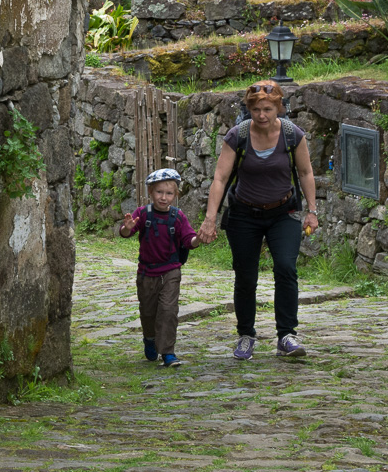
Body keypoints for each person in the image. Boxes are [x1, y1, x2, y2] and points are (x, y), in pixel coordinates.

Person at [197, 81, 319, 361]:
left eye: (268, 109)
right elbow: (220, 178)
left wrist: (312, 210)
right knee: (246, 275)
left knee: (286, 268)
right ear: (248, 109)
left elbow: (305, 173)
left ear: (279, 107)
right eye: (256, 109)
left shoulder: (292, 135)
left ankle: (286, 335)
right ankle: (245, 335)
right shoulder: (237, 135)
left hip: (283, 213)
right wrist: (209, 219)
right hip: (244, 215)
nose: (262, 115)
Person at [119, 167, 202, 368]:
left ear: (175, 195)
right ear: (150, 192)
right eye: (159, 192)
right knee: (148, 312)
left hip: (171, 270)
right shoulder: (143, 214)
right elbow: (126, 233)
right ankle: (149, 338)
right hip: (147, 273)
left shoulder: (178, 217)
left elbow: (188, 240)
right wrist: (127, 228)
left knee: (168, 310)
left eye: (169, 193)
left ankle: (168, 353)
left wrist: (199, 239)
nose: (163, 197)